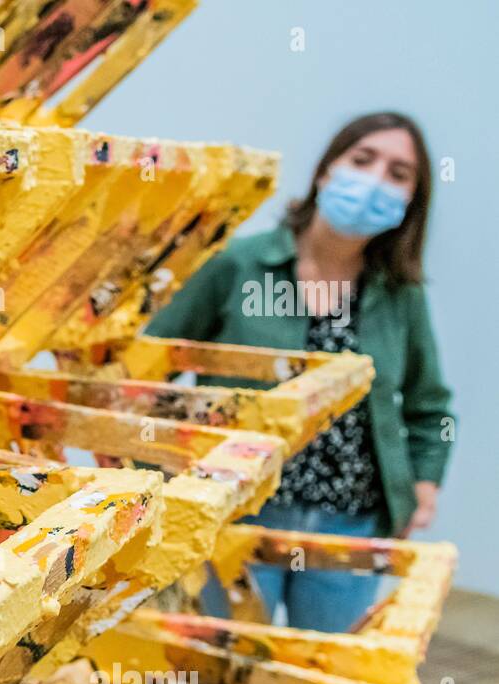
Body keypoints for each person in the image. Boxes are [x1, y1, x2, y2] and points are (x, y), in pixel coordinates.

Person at [143, 112, 455, 633]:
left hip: (351, 522)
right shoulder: (237, 265)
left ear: (410, 203)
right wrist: (158, 469)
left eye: (398, 174)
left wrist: (426, 483)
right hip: (237, 509)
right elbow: (150, 366)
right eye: (362, 160)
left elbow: (430, 405)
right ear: (325, 171)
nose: (375, 179)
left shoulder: (399, 293)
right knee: (216, 671)